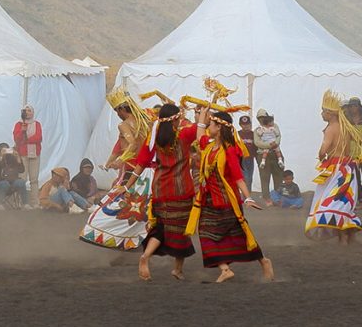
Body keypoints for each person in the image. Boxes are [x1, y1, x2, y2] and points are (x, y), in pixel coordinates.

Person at [185, 108, 274, 283]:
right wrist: (203, 114)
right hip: (208, 199)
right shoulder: (209, 146)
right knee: (205, 234)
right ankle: (225, 269)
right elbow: (199, 135)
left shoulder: (229, 150)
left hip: (227, 201)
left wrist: (247, 197)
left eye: (212, 124)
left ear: (219, 128)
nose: (209, 127)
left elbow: (238, 177)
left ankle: (264, 261)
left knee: (239, 235)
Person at [120, 103, 200, 282]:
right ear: (177, 119)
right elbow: (202, 129)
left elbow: (140, 164)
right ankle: (177, 269)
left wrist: (127, 186)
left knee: (160, 228)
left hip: (160, 189)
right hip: (181, 190)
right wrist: (202, 113)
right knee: (182, 230)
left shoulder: (154, 138)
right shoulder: (185, 135)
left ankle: (147, 256)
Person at [80, 87, 153, 252]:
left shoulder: (124, 125)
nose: (116, 114)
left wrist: (120, 161)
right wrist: (111, 162)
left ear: (121, 109)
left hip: (132, 169)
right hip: (147, 169)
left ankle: (102, 233)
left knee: (117, 202)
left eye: (116, 111)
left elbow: (132, 144)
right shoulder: (146, 119)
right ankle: (139, 238)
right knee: (141, 203)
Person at [305, 91, 362, 243]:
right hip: (349, 168)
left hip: (336, 170)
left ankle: (342, 236)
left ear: (330, 113)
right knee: (344, 202)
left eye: (323, 110)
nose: (321, 114)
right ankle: (350, 236)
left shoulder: (331, 129)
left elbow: (323, 150)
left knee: (331, 201)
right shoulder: (347, 127)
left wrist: (323, 157)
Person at [13, 105, 43, 203]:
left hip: (34, 154)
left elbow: (38, 138)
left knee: (34, 179)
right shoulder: (19, 124)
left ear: (33, 113)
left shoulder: (37, 124)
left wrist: (25, 140)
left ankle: (35, 200)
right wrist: (22, 131)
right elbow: (17, 139)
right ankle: (21, 201)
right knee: (22, 178)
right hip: (23, 154)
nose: (27, 112)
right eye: (26, 110)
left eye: (29, 110)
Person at [254, 109, 284, 202]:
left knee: (278, 175)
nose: (262, 120)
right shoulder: (258, 130)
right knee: (264, 176)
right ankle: (266, 197)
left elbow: (278, 136)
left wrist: (275, 144)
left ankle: (278, 197)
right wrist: (269, 145)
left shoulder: (274, 126)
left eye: (263, 117)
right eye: (260, 118)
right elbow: (257, 142)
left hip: (275, 153)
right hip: (263, 154)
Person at [0, 143, 28, 208]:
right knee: (4, 184)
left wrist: (18, 158)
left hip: (12, 182)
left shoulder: (12, 159)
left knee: (21, 182)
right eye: (3, 150)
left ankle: (25, 204)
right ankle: (0, 204)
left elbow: (21, 170)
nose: (5, 151)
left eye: (7, 149)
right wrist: (1, 157)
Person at [238, 115, 255, 191]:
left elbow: (256, 146)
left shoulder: (253, 134)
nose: (246, 126)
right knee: (245, 177)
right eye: (243, 124)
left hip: (250, 158)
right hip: (241, 159)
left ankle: (248, 194)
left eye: (248, 124)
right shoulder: (237, 134)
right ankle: (245, 195)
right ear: (240, 125)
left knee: (250, 177)